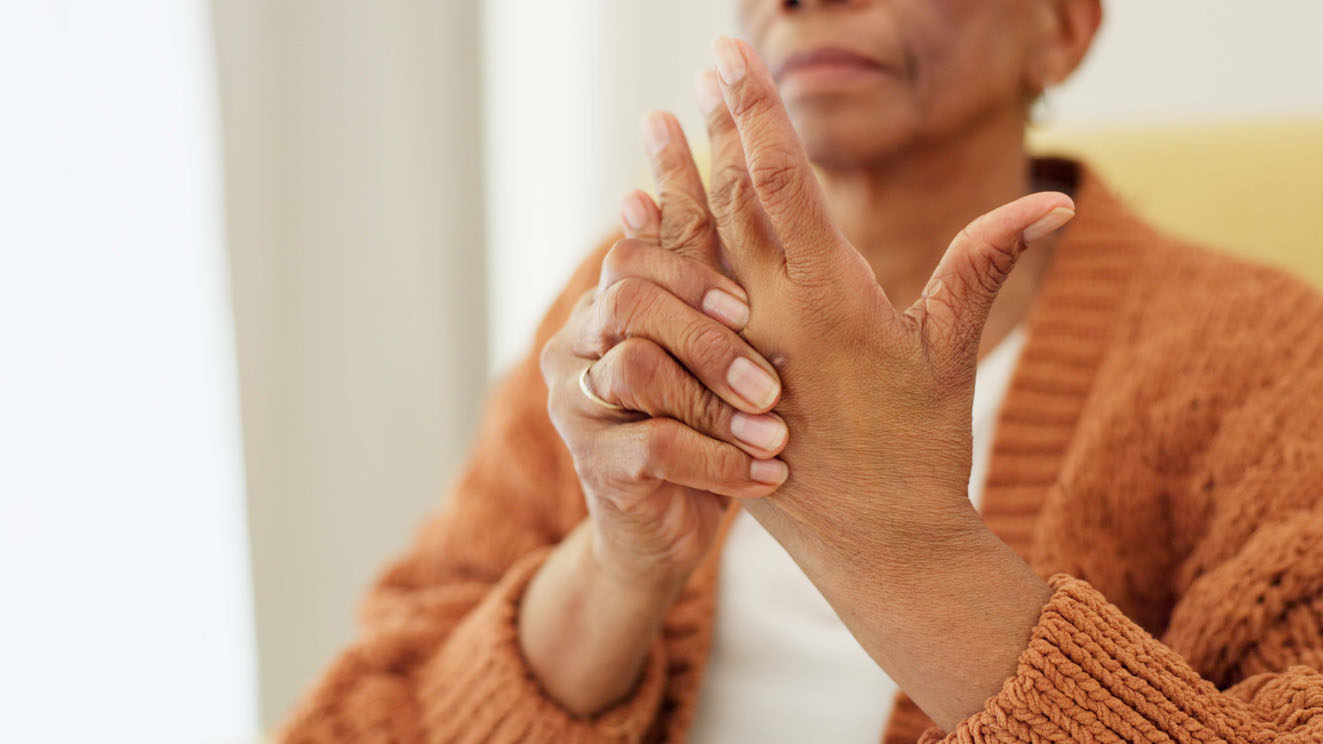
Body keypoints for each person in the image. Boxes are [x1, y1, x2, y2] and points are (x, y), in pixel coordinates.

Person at [280, 2, 1323, 742]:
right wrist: (617, 567)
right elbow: (357, 721)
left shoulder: (1264, 355)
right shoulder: (633, 307)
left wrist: (900, 546)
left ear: (1061, 27)